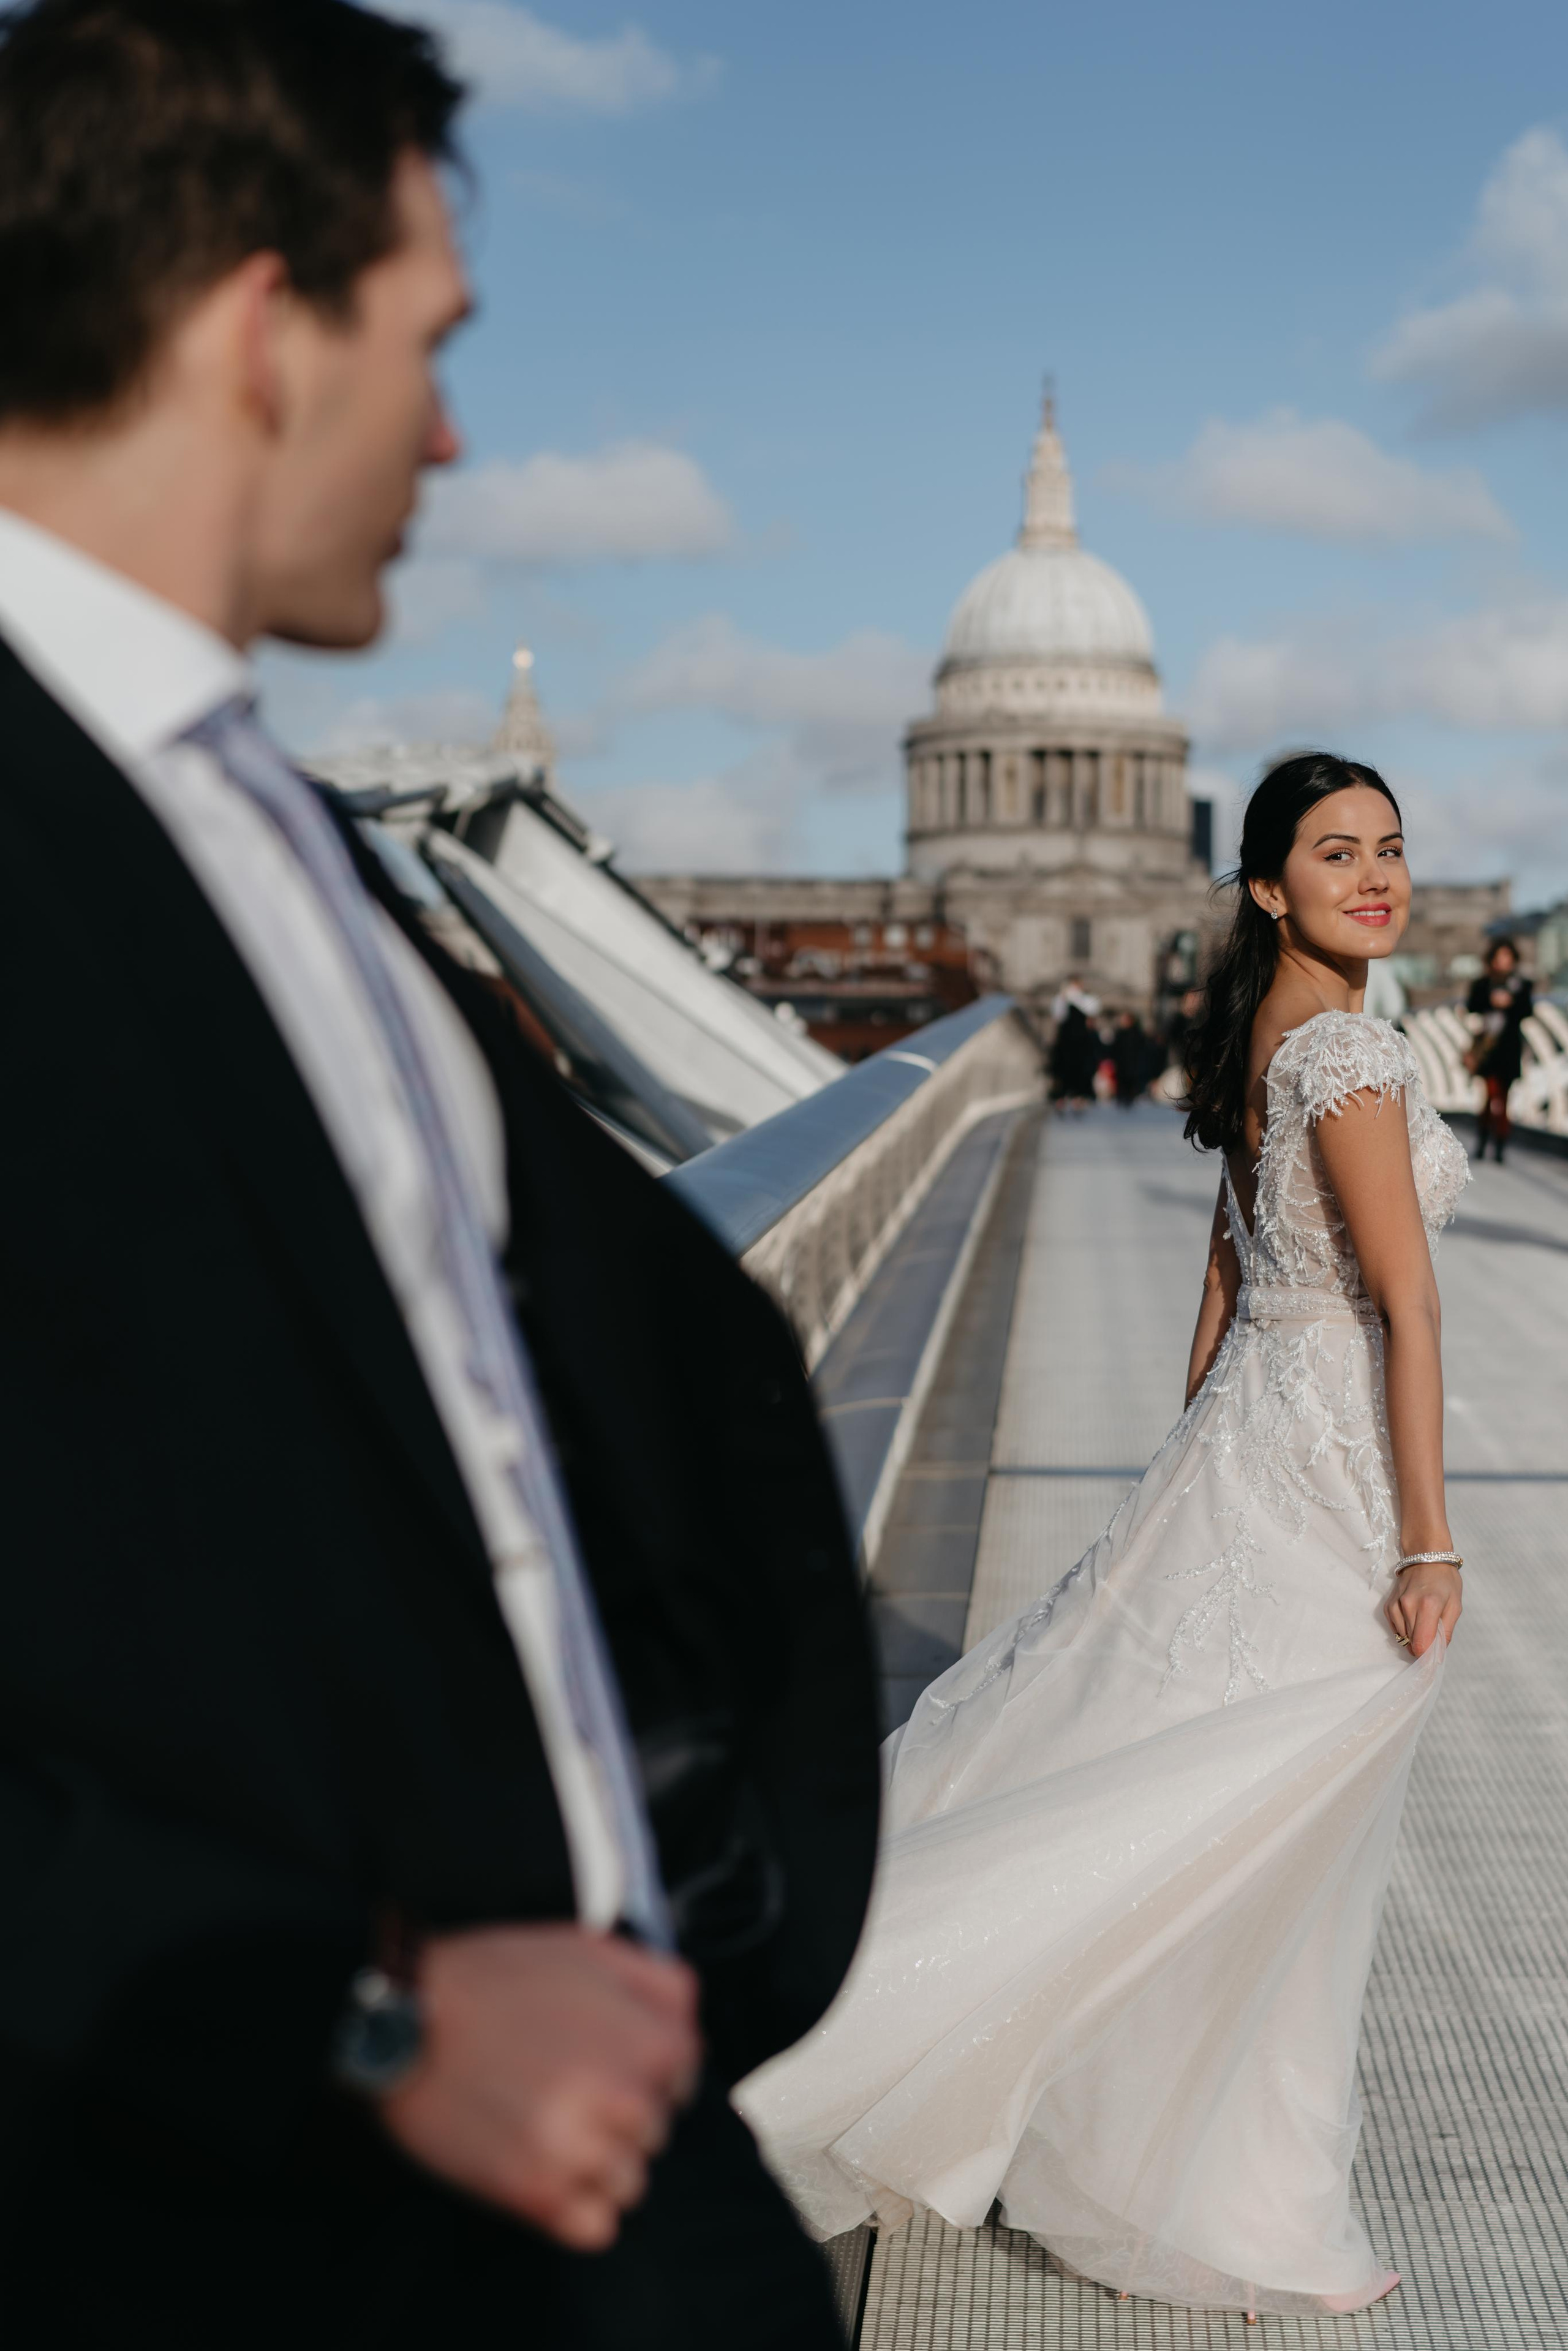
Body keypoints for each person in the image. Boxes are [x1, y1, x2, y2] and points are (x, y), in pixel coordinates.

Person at [0, 3, 880, 2342]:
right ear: (262, 331)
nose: (463, 428)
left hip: (601, 2124)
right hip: (237, 2183)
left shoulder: (264, 815)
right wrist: (362, 2014)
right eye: (434, 337)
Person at [734, 754, 1468, 2323]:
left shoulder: (1266, 1033)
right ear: (1264, 883)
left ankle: (1147, 2138)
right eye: (1333, 853)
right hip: (1328, 1465)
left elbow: (1230, 1262)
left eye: (1389, 848)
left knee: (1160, 1763)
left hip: (1256, 1437)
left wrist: (1197, 1448)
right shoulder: (1346, 1049)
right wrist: (1426, 1540)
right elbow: (1402, 1304)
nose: (1375, 876)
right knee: (1238, 1798)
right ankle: (1194, 2170)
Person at [1465, 937, 1533, 1163]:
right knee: (1491, 1094)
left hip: (1509, 1049)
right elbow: (1472, 1006)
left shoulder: (1522, 986)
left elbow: (1526, 1011)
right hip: (1488, 1048)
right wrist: (1492, 1001)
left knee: (1504, 1096)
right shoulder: (1483, 984)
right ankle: (1487, 1142)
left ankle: (1498, 1146)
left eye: (1508, 957)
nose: (1504, 962)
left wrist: (1510, 1003)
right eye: (1499, 957)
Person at [1049, 975, 1101, 1112]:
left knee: (1079, 1070)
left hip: (1080, 1042)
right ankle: (1063, 1098)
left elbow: (1092, 1010)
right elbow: (1058, 1015)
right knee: (1065, 1069)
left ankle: (1078, 1098)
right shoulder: (1062, 1000)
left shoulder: (1086, 999)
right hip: (1068, 1041)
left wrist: (1073, 998)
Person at [1110, 1008, 1148, 1108]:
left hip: (1134, 1066)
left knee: (1132, 1087)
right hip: (1122, 1066)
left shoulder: (1137, 1034)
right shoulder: (1119, 1034)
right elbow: (1114, 1050)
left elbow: (1142, 1050)